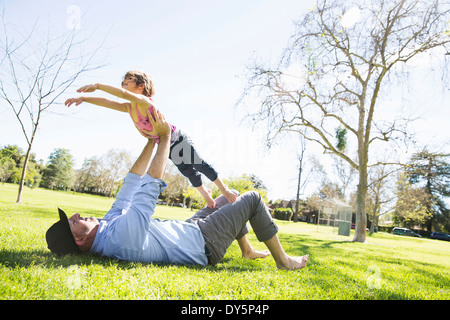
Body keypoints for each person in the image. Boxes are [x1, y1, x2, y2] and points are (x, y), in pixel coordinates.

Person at [45, 111, 309, 270]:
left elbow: (131, 185)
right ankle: (283, 260)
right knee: (251, 199)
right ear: (79, 241)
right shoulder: (118, 239)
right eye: (72, 222)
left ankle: (247, 250)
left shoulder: (106, 227)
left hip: (189, 230)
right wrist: (163, 141)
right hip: (204, 245)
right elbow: (147, 190)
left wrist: (151, 141)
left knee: (228, 197)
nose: (77, 215)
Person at [64, 70, 236, 208]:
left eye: (129, 79)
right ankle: (206, 195)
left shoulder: (144, 101)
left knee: (199, 164)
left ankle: (225, 190)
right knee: (187, 171)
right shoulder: (129, 107)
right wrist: (84, 98)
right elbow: (107, 102)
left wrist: (98, 85)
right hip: (165, 145)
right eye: (124, 79)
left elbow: (122, 94)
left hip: (177, 139)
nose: (124, 81)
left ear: (141, 85)